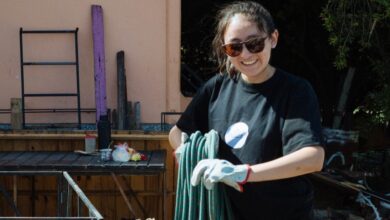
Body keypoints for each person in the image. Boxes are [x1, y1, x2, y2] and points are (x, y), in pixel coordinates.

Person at [169, 1, 325, 219]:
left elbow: (312, 158)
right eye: (234, 47)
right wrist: (187, 156)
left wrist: (244, 173)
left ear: (273, 39)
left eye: (254, 44)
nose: (245, 54)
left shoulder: (295, 91)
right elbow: (177, 133)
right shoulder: (217, 87)